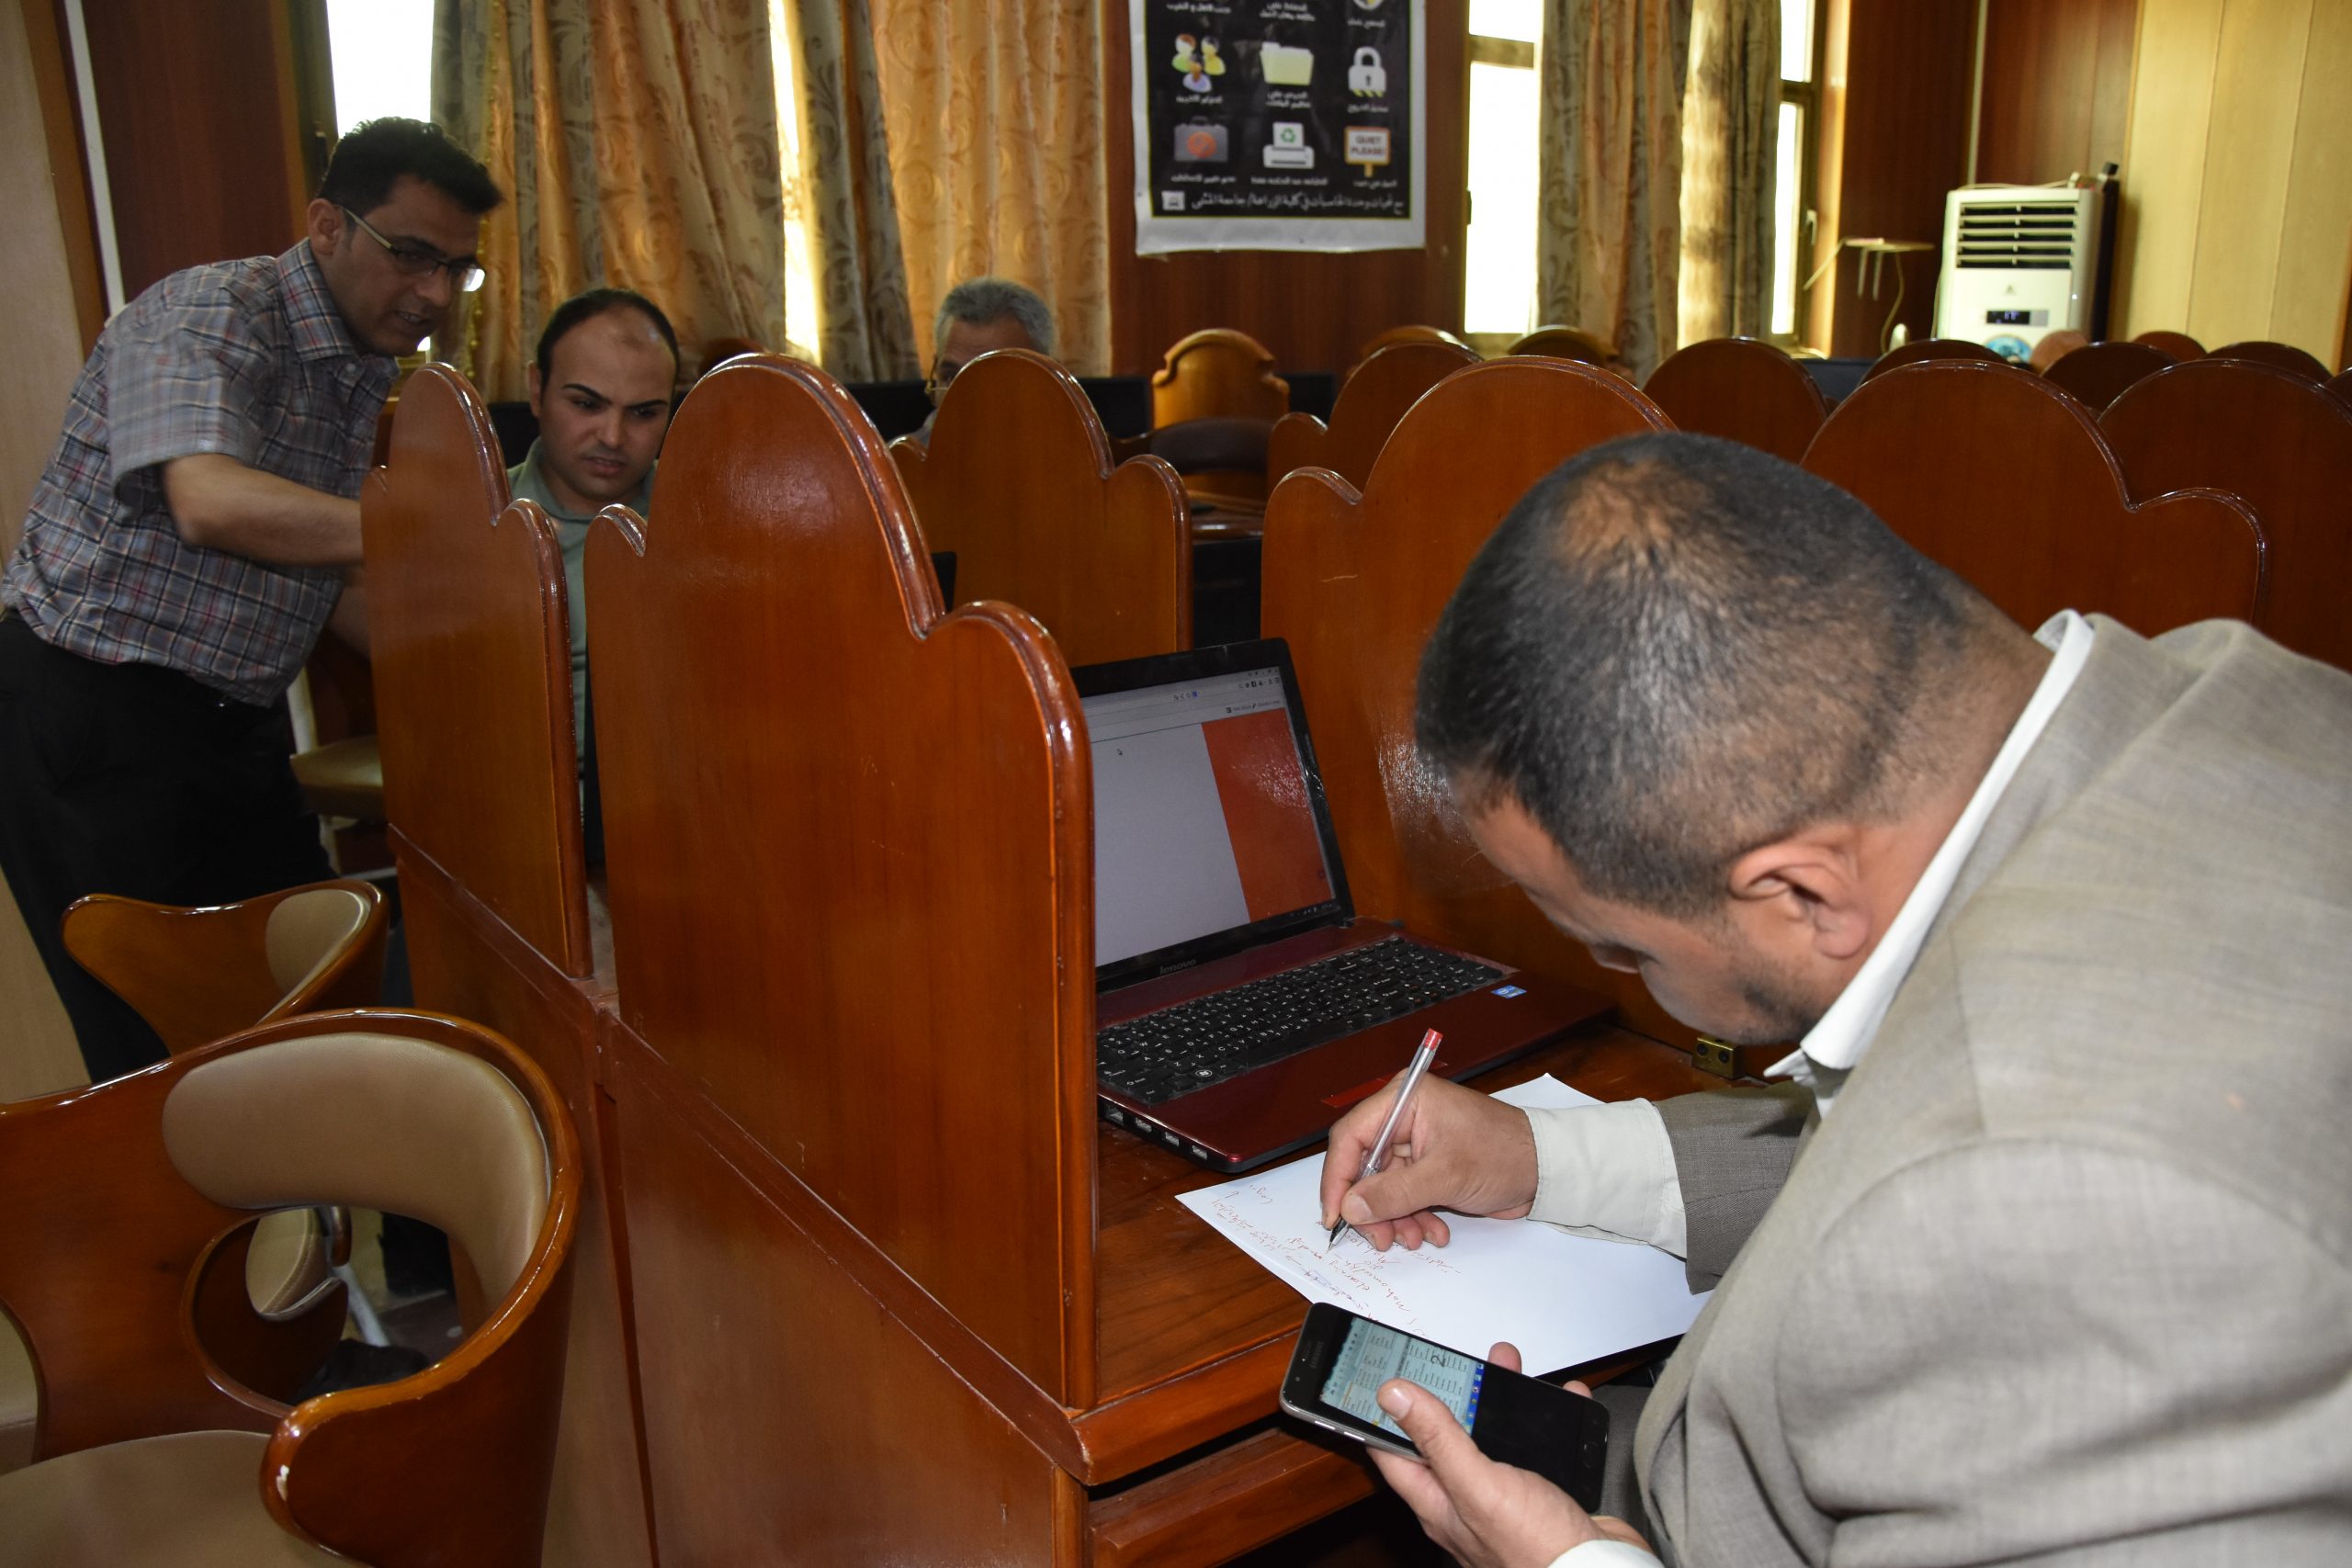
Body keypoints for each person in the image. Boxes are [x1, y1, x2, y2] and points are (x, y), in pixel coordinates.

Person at [1319, 433, 2352, 1565]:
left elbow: (1975, 1174)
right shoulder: (2234, 691)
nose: (1619, 970)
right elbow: (1910, 1116)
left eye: (1622, 947)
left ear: (1803, 893)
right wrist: (1543, 1157)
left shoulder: (2051, 1202)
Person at [0, 118, 501, 1082]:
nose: (435, 295)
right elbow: (210, 501)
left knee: (307, 1008)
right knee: (160, 1060)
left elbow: (325, 577)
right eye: (411, 256)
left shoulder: (357, 366)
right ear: (327, 226)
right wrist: (432, 535)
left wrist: (496, 650)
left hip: (232, 724)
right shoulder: (209, 313)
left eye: (457, 269)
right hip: (92, 713)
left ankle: (317, 1182)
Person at [506, 288, 678, 761]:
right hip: (525, 795)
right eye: (586, 404)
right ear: (537, 390)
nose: (613, 437)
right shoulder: (477, 524)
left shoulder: (710, 525)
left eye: (644, 413)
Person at [911, 276, 1055, 443]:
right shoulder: (903, 458)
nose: (967, 404)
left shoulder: (1076, 454)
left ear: (1050, 381)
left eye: (995, 380)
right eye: (951, 378)